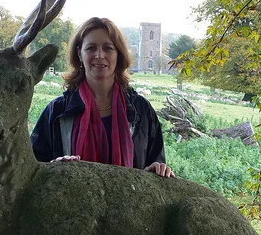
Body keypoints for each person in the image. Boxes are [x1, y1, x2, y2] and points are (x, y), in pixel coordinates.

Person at [31, 17, 174, 178]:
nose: (99, 55)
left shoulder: (141, 110)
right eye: (91, 48)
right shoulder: (57, 111)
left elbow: (156, 163)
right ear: (79, 53)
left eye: (108, 48)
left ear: (118, 54)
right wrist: (54, 168)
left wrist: (157, 171)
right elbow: (34, 170)